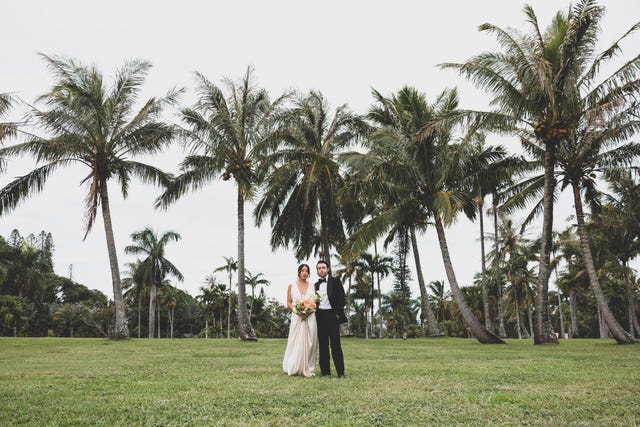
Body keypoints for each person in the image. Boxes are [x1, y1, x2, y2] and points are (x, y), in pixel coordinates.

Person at [282, 263, 318, 377]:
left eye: (307, 271)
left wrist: (309, 311)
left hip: (310, 317)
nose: (305, 273)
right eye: (302, 270)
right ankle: (294, 366)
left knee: (310, 341)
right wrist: (296, 311)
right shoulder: (291, 285)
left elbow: (315, 302)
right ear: (299, 272)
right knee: (295, 340)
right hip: (297, 317)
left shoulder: (312, 286)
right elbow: (288, 302)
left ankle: (308, 367)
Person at [314, 259, 347, 378]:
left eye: (323, 267)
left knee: (335, 345)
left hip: (332, 316)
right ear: (317, 271)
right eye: (319, 268)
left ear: (327, 269)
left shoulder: (335, 282)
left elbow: (342, 298)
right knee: (323, 345)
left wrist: (338, 313)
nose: (321, 270)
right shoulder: (316, 285)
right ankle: (325, 372)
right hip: (320, 317)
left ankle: (341, 372)